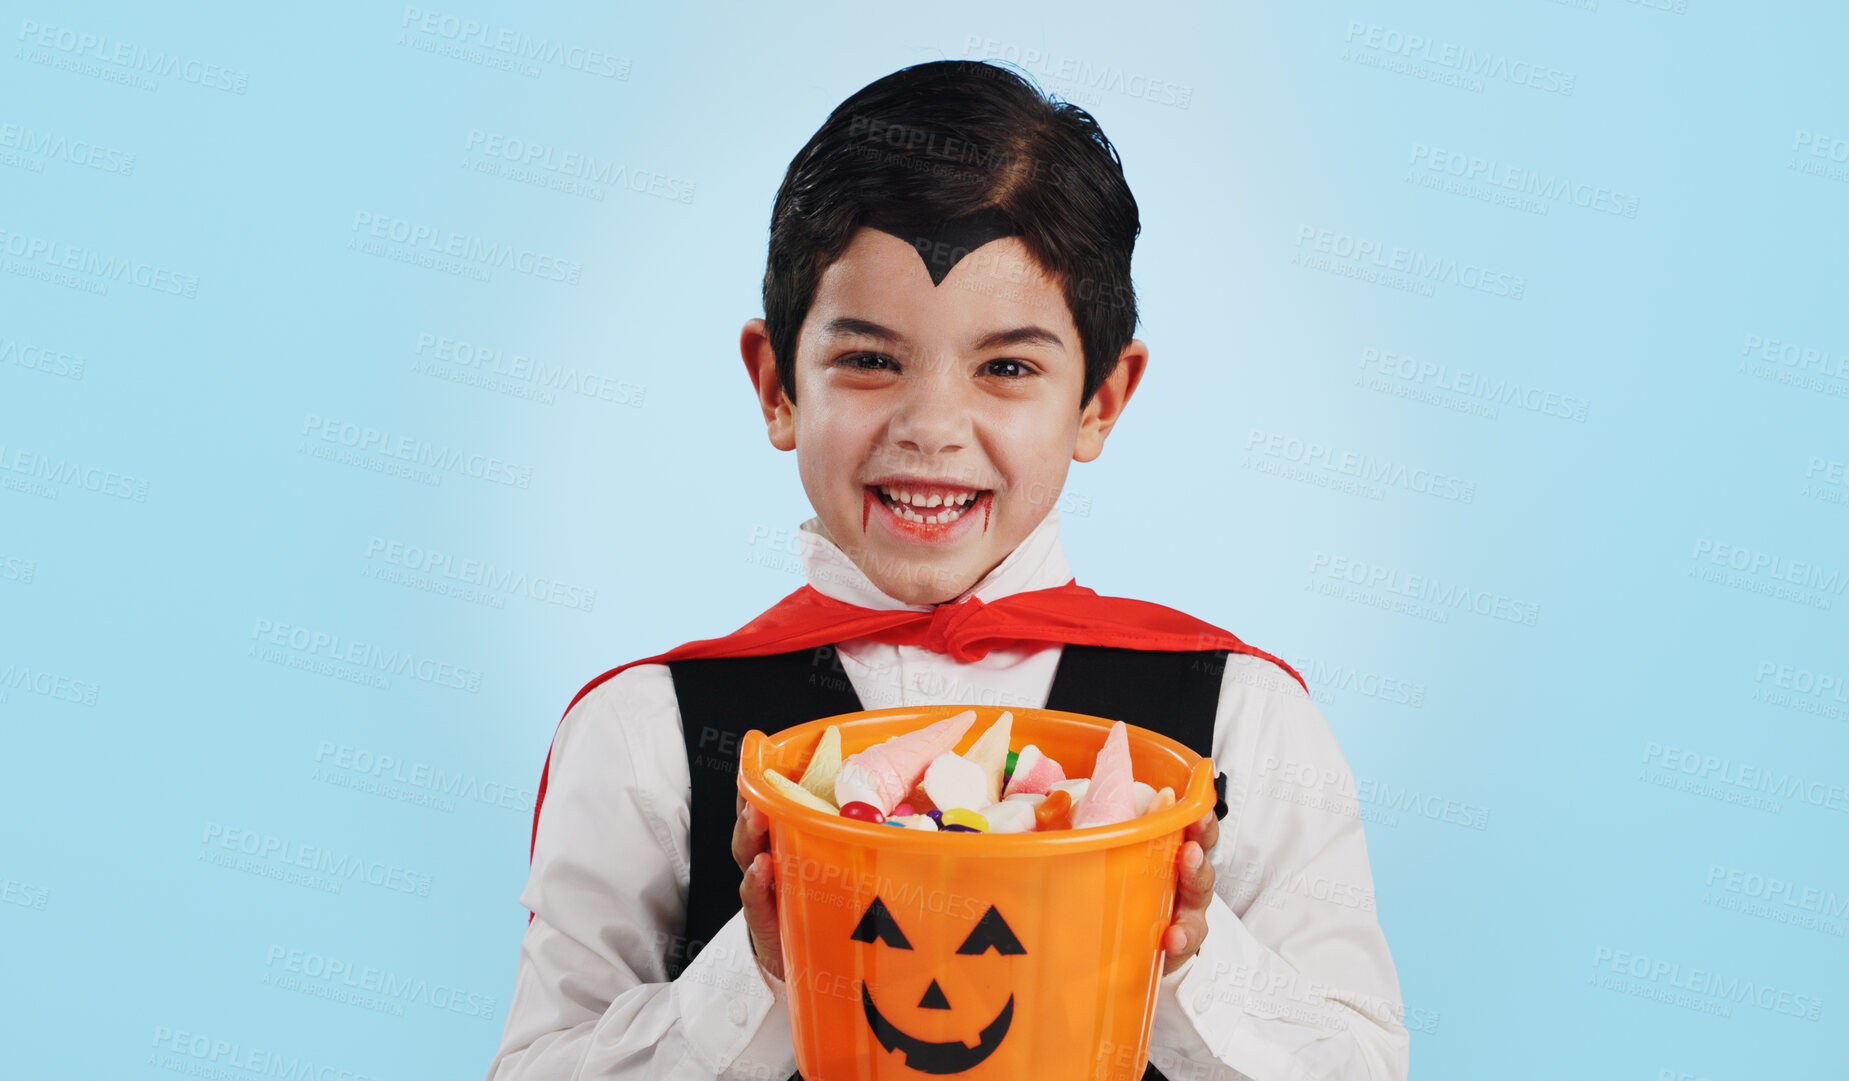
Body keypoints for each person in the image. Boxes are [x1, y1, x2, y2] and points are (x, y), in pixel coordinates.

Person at [485, 59, 1408, 1081]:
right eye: (869, 360)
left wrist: (1187, 953)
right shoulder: (643, 732)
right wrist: (755, 970)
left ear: (1101, 398)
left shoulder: (1240, 716)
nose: (930, 429)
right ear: (774, 382)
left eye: (1007, 367)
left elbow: (1362, 1066)